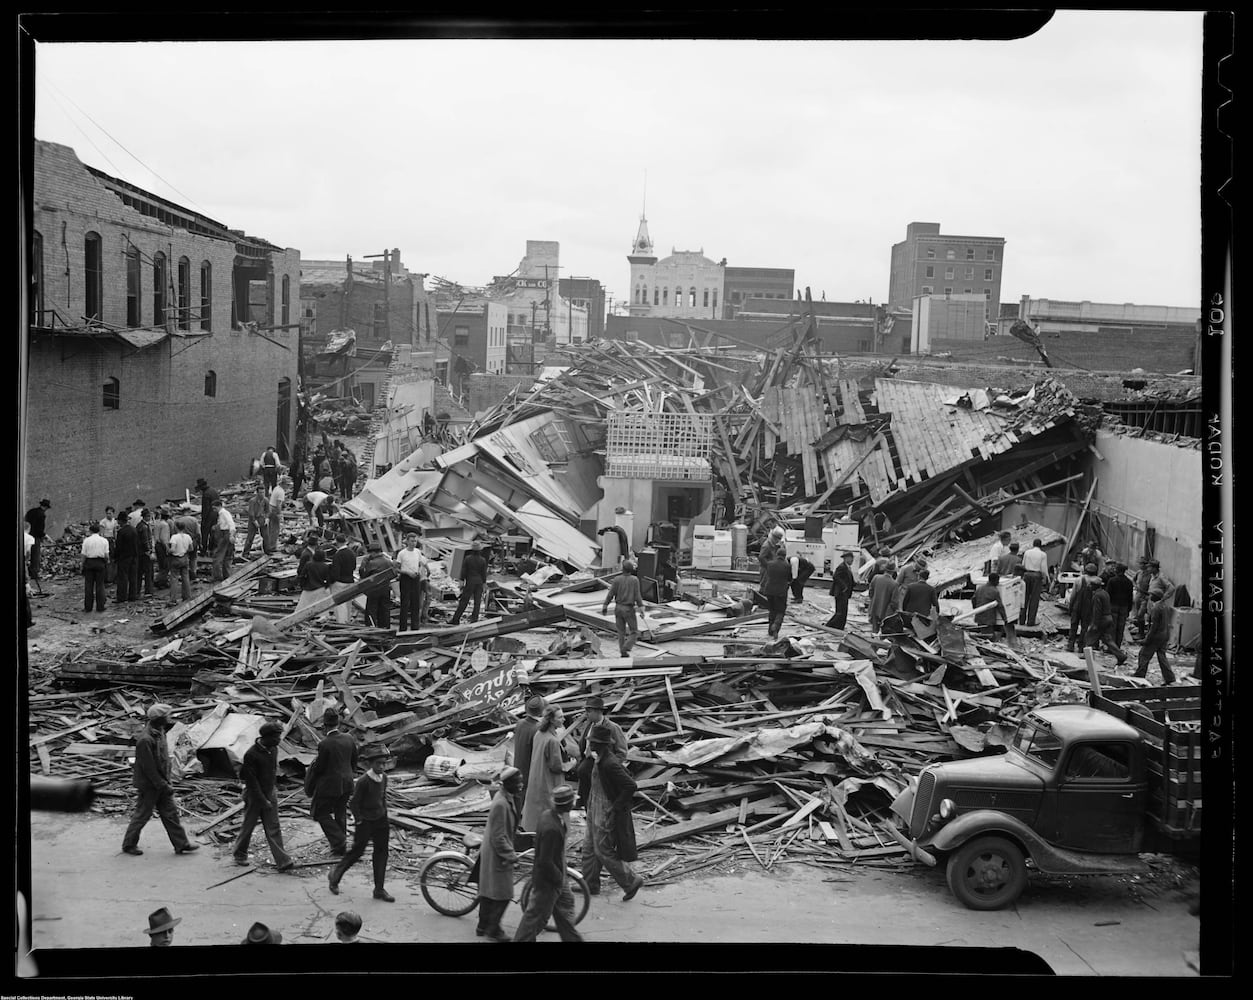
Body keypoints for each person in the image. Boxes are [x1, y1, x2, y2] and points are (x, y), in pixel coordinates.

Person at [121, 703, 198, 856]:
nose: (170, 719)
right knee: (142, 814)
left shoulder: (159, 731)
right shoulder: (145, 740)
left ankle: (181, 844)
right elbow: (148, 768)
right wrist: (163, 785)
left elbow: (162, 760)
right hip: (150, 784)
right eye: (167, 716)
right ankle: (129, 845)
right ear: (159, 719)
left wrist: (167, 780)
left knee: (170, 813)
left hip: (161, 781)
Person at [580, 723, 644, 901]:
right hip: (594, 807)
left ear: (602, 744)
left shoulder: (610, 763)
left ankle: (631, 881)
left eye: (593, 742)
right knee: (588, 847)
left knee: (603, 850)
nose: (590, 744)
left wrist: (614, 808)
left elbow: (630, 785)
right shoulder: (599, 759)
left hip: (604, 809)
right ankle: (589, 884)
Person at [512, 784, 583, 942]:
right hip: (549, 880)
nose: (574, 803)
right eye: (572, 801)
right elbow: (545, 861)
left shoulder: (549, 816)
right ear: (567, 805)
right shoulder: (552, 828)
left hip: (557, 874)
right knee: (536, 917)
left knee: (565, 908)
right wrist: (558, 878)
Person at [328, 745, 396, 902]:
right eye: (378, 763)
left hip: (380, 821)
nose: (381, 766)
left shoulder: (384, 778)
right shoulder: (364, 781)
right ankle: (335, 875)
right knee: (357, 852)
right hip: (365, 821)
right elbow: (353, 803)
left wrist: (385, 815)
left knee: (381, 853)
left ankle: (379, 889)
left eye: (383, 763)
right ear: (370, 764)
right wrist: (359, 819)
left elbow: (383, 798)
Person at [232, 721, 294, 872]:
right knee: (249, 825)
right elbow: (252, 783)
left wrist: (272, 792)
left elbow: (273, 770)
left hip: (269, 792)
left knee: (273, 826)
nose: (279, 740)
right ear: (266, 737)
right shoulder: (251, 755)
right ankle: (239, 854)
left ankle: (283, 861)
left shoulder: (273, 749)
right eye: (276, 737)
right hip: (254, 795)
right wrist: (263, 801)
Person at [475, 767, 523, 942]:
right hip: (497, 855)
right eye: (518, 782)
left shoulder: (505, 798)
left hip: (493, 852)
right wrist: (511, 855)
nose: (521, 785)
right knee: (503, 895)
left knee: (488, 892)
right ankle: (493, 929)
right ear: (508, 784)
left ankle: (482, 926)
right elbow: (499, 837)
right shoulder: (501, 804)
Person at [305, 708, 359, 856]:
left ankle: (338, 840)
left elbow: (320, 768)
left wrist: (311, 780)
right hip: (347, 783)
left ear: (324, 725)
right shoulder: (348, 738)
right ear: (338, 723)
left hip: (330, 786)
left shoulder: (325, 744)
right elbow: (355, 760)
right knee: (340, 811)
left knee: (319, 813)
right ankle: (340, 848)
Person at [521, 705, 569, 832]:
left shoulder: (539, 734)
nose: (563, 719)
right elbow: (556, 766)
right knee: (550, 813)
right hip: (549, 781)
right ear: (552, 720)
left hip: (536, 778)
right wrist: (570, 765)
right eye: (560, 717)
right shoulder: (552, 740)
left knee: (535, 813)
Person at [574, 695, 627, 808]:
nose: (586, 713)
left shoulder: (612, 727)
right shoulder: (589, 725)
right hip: (587, 768)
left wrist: (609, 768)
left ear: (598, 712)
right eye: (586, 710)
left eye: (589, 710)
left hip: (603, 769)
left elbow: (622, 752)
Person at [509, 696, 546, 821]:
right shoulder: (537, 729)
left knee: (519, 795)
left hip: (519, 763)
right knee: (526, 798)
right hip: (530, 767)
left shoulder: (520, 723)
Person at [1135, 589, 1178, 685]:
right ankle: (1169, 677)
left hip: (1157, 636)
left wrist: (1147, 639)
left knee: (1144, 654)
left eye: (1152, 595)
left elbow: (1154, 626)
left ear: (1155, 597)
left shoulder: (1156, 608)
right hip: (1165, 634)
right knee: (1162, 657)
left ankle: (1139, 676)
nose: (1150, 597)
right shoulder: (1165, 606)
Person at [601, 560, 643, 657]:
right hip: (628, 609)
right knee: (634, 632)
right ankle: (626, 647)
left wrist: (605, 605)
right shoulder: (634, 580)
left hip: (618, 608)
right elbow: (637, 596)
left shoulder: (616, 580)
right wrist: (641, 608)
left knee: (621, 632)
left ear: (622, 569)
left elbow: (610, 594)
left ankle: (622, 653)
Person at [1084, 577, 1127, 664]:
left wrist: (1095, 624)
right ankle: (1121, 656)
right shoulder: (1105, 593)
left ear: (1094, 586)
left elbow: (1097, 610)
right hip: (1108, 618)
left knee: (1090, 637)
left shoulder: (1097, 595)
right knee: (1107, 639)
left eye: (1091, 585)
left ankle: (1087, 656)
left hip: (1101, 620)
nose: (1090, 586)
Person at [359, 543, 395, 628]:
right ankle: (386, 627)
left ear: (373, 553)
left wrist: (363, 564)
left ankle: (371, 627)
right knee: (385, 610)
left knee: (371, 610)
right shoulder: (388, 561)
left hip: (374, 590)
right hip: (386, 589)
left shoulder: (371, 563)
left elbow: (363, 575)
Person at [451, 541, 488, 624]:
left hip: (470, 582)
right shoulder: (483, 560)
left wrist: (461, 581)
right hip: (479, 582)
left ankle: (456, 619)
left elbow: (464, 571)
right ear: (480, 550)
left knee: (464, 601)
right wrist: (484, 583)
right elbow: (484, 573)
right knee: (477, 602)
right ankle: (474, 620)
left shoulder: (468, 558)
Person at [395, 533, 426, 631]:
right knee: (405, 603)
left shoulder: (417, 552)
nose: (413, 543)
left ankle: (415, 626)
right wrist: (407, 572)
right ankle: (403, 627)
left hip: (415, 578)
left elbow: (421, 563)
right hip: (405, 578)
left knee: (415, 603)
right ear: (407, 541)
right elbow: (396, 568)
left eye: (415, 541)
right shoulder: (402, 553)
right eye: (412, 541)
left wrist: (420, 570)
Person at [1066, 563, 1099, 653]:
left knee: (1074, 625)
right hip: (1089, 607)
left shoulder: (1079, 579)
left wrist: (1070, 606)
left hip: (1078, 605)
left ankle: (1070, 645)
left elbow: (1073, 595)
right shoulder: (1098, 581)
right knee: (1085, 627)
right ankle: (1081, 646)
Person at [761, 548, 792, 639]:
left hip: (769, 591)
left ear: (776, 554)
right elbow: (790, 579)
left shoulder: (770, 564)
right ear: (785, 556)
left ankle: (770, 631)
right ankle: (776, 625)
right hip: (781, 592)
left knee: (772, 610)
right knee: (780, 611)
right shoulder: (787, 566)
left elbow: (761, 559)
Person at [1019, 538, 1050, 626]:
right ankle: (1030, 621)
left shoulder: (1027, 552)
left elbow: (1023, 564)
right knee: (1034, 599)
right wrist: (1047, 578)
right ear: (1041, 545)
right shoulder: (1043, 554)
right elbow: (1043, 568)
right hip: (1036, 576)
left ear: (1033, 544)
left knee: (1024, 598)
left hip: (1027, 574)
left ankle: (1021, 620)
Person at [973, 572, 1012, 641]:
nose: (998, 583)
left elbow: (973, 599)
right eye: (997, 581)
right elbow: (1000, 606)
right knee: (989, 638)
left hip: (979, 616)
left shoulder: (980, 588)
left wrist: (976, 609)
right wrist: (1005, 618)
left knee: (984, 634)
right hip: (988, 619)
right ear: (994, 581)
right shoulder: (994, 591)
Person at [80, 521, 109, 613]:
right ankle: (100, 606)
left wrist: (82, 565)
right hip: (100, 563)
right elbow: (106, 555)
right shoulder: (104, 541)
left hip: (89, 563)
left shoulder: (86, 541)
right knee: (100, 585)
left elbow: (83, 555)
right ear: (99, 531)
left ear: (90, 531)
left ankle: (88, 607)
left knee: (88, 586)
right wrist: (106, 563)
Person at [295, 548, 333, 615]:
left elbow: (302, 576)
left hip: (308, 588)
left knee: (301, 610)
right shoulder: (326, 566)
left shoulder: (308, 564)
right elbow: (328, 579)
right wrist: (325, 586)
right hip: (320, 589)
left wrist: (303, 585)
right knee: (319, 610)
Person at [165, 520, 195, 606]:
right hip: (185, 558)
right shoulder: (188, 536)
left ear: (176, 527)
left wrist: (168, 549)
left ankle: (173, 599)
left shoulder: (174, 537)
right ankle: (187, 596)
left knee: (174, 578)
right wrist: (184, 550)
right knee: (185, 577)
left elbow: (173, 549)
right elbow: (191, 548)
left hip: (176, 559)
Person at [330, 533, 358, 624]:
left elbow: (336, 571)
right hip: (350, 580)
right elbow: (354, 567)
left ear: (337, 542)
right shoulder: (352, 553)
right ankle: (347, 620)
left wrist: (331, 581)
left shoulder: (338, 555)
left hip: (340, 582)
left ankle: (341, 623)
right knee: (348, 604)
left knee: (339, 604)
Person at [1106, 563, 1134, 648]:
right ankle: (1117, 646)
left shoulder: (1112, 580)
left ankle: (1112, 647)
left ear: (1117, 570)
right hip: (1124, 607)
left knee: (1112, 627)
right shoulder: (1129, 582)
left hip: (1113, 605)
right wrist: (1129, 609)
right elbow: (1130, 596)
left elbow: (1108, 594)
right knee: (1121, 627)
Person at [24, 498, 50, 587]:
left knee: (27, 554)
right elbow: (39, 529)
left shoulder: (31, 511)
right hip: (35, 537)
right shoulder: (41, 515)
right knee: (35, 555)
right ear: (46, 507)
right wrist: (44, 536)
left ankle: (27, 571)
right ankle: (34, 573)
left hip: (26, 534)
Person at [827, 551, 856, 630]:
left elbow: (849, 579)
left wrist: (854, 583)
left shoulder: (847, 567)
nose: (852, 561)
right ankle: (829, 626)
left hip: (845, 593)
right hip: (841, 593)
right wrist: (844, 586)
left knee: (843, 612)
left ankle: (840, 627)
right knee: (840, 612)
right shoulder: (842, 567)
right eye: (851, 559)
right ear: (846, 559)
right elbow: (836, 576)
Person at [114, 514, 139, 603]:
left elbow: (118, 546)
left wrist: (115, 556)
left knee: (123, 578)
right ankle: (133, 595)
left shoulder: (121, 532)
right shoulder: (134, 530)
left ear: (121, 521)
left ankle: (122, 596)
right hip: (134, 556)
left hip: (124, 557)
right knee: (133, 577)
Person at [867, 563, 898, 635]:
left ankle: (873, 642)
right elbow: (894, 602)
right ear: (893, 572)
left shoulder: (876, 578)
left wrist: (873, 600)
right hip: (886, 612)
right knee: (883, 632)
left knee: (874, 630)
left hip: (874, 607)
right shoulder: (894, 584)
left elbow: (871, 591)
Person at [211, 500, 236, 582]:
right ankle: (227, 575)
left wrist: (231, 535)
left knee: (218, 556)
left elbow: (231, 524)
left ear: (219, 506)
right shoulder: (222, 514)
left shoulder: (223, 513)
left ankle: (217, 576)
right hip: (226, 534)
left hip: (226, 534)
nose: (214, 510)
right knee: (227, 556)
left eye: (215, 508)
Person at [241, 484, 268, 560]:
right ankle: (246, 553)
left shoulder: (266, 500)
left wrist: (267, 518)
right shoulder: (252, 501)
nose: (262, 494)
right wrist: (254, 521)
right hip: (253, 520)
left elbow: (268, 511)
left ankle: (267, 551)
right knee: (250, 537)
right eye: (260, 492)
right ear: (257, 493)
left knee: (265, 536)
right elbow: (251, 512)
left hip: (262, 519)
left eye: (263, 492)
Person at [1131, 557, 1155, 636]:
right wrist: (1135, 586)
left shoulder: (1150, 575)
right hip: (1138, 595)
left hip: (1145, 596)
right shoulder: (1139, 572)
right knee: (1138, 614)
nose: (1140, 565)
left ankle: (1142, 633)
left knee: (1141, 614)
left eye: (1141, 564)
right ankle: (1140, 631)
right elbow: (1133, 579)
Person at [757, 526, 785, 591]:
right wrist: (768, 566)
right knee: (764, 584)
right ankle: (762, 597)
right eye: (778, 539)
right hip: (765, 568)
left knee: (769, 584)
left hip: (770, 567)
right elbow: (761, 557)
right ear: (774, 538)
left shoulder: (773, 545)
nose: (778, 541)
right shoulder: (767, 545)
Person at [196, 479, 219, 554]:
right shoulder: (213, 490)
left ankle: (204, 549)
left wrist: (203, 519)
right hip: (215, 514)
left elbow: (206, 509)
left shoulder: (206, 494)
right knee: (213, 532)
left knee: (204, 533)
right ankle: (212, 548)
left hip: (209, 516)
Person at [137, 508, 156, 598]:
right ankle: (148, 590)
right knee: (149, 572)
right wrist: (149, 551)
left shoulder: (139, 525)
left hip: (140, 553)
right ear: (146, 516)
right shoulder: (145, 527)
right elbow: (145, 541)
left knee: (139, 572)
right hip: (145, 553)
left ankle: (137, 590)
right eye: (149, 516)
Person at [152, 508, 171, 589]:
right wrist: (167, 549)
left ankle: (159, 580)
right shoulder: (165, 525)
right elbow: (164, 539)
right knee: (165, 565)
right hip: (162, 546)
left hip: (157, 545)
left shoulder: (157, 523)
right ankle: (161, 581)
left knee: (160, 565)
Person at [265, 481, 285, 555]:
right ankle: (272, 547)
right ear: (284, 484)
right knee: (275, 529)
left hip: (271, 508)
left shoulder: (276, 488)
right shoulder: (281, 492)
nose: (288, 487)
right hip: (275, 510)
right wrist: (279, 513)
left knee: (271, 528)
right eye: (287, 485)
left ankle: (268, 544)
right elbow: (278, 504)